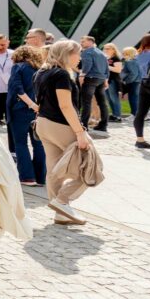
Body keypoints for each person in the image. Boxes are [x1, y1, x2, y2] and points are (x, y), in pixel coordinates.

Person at [33, 40, 92, 224]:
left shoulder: (42, 72)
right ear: (66, 54)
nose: (80, 57)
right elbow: (65, 105)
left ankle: (60, 212)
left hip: (43, 124)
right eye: (78, 53)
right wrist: (80, 132)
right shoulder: (61, 74)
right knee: (91, 165)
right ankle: (62, 201)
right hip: (61, 125)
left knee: (53, 169)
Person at [7, 45, 46, 186]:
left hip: (20, 109)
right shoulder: (41, 69)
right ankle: (41, 177)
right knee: (39, 144)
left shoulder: (18, 67)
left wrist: (31, 104)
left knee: (20, 143)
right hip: (39, 110)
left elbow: (18, 89)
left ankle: (27, 177)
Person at [78, 36, 110, 134]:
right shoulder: (101, 53)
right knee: (102, 102)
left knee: (86, 102)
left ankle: (84, 125)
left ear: (91, 42)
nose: (81, 43)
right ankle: (103, 125)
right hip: (101, 79)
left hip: (90, 78)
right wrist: (106, 79)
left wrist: (82, 75)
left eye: (83, 41)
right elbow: (107, 67)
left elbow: (87, 65)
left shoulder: (87, 52)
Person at [102, 43, 124, 123]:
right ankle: (114, 115)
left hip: (113, 81)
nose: (105, 50)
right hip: (106, 80)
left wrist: (106, 66)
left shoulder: (116, 58)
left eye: (108, 48)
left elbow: (118, 70)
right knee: (109, 99)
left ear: (113, 50)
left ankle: (118, 116)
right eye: (105, 48)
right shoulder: (106, 58)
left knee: (114, 98)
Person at [120, 46, 142, 119]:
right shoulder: (137, 60)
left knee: (133, 98)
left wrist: (127, 81)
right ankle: (138, 114)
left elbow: (134, 74)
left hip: (133, 82)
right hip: (137, 81)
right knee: (136, 98)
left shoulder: (130, 62)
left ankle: (134, 114)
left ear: (128, 53)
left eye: (124, 53)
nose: (123, 54)